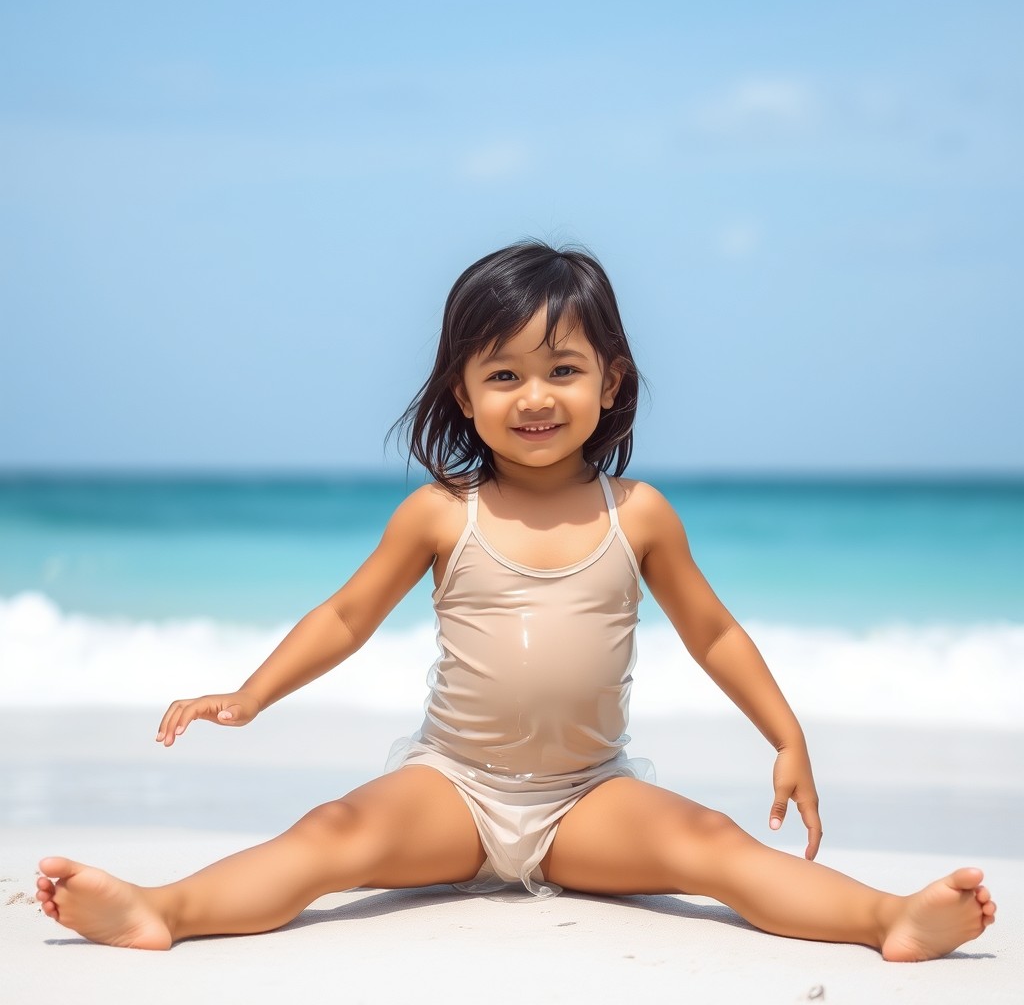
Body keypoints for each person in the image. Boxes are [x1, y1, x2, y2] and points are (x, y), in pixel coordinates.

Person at [36, 241, 995, 960]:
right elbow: (343, 617)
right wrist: (250, 695)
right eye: (502, 374)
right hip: (453, 786)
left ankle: (889, 919)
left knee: (712, 844)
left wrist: (786, 736)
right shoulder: (442, 513)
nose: (533, 396)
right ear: (461, 391)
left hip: (588, 799)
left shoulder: (639, 514)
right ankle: (162, 908)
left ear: (610, 381)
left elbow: (713, 632)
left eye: (562, 370)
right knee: (330, 836)